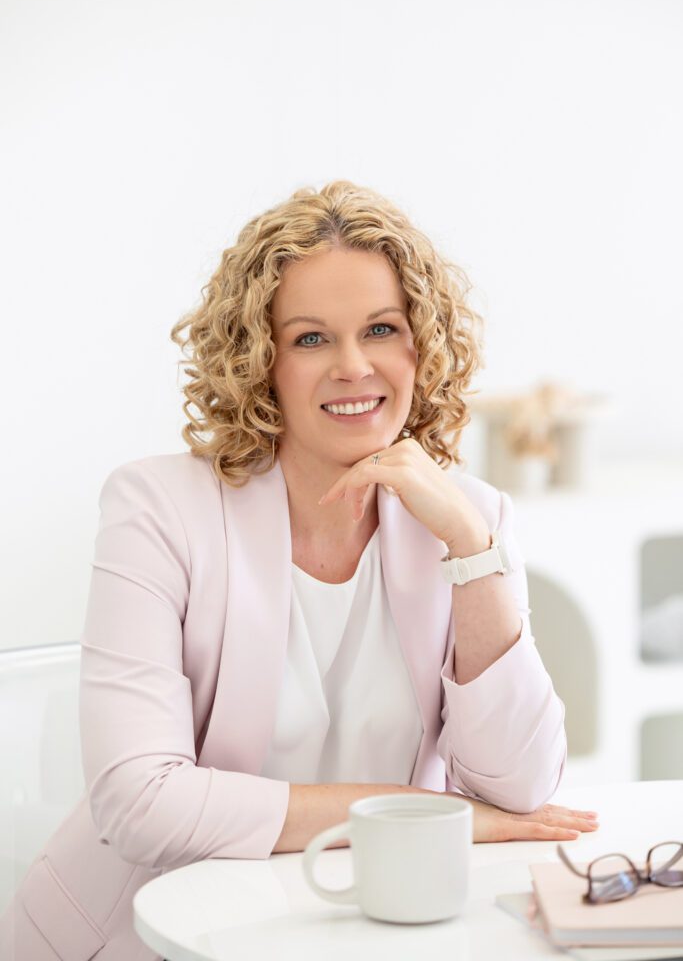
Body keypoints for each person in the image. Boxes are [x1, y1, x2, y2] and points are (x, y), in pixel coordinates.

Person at [0, 180, 598, 960]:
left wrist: (470, 547)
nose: (353, 367)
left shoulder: (467, 516)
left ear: (421, 342)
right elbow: (139, 804)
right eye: (312, 338)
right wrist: (418, 807)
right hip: (145, 935)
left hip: (353, 931)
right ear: (260, 359)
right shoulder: (157, 508)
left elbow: (520, 790)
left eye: (381, 328)